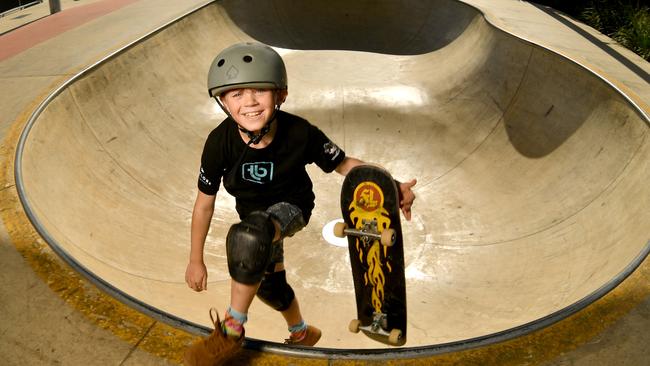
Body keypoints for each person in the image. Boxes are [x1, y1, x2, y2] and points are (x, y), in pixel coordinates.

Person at [183, 42, 416, 365]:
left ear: (281, 95)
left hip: (292, 209)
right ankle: (302, 330)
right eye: (236, 94)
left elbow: (344, 164)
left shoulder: (300, 133)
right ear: (222, 101)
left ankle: (233, 327)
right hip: (256, 221)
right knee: (269, 288)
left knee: (249, 236)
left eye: (260, 92)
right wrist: (196, 259)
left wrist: (390, 184)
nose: (249, 102)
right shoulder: (218, 143)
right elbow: (204, 204)